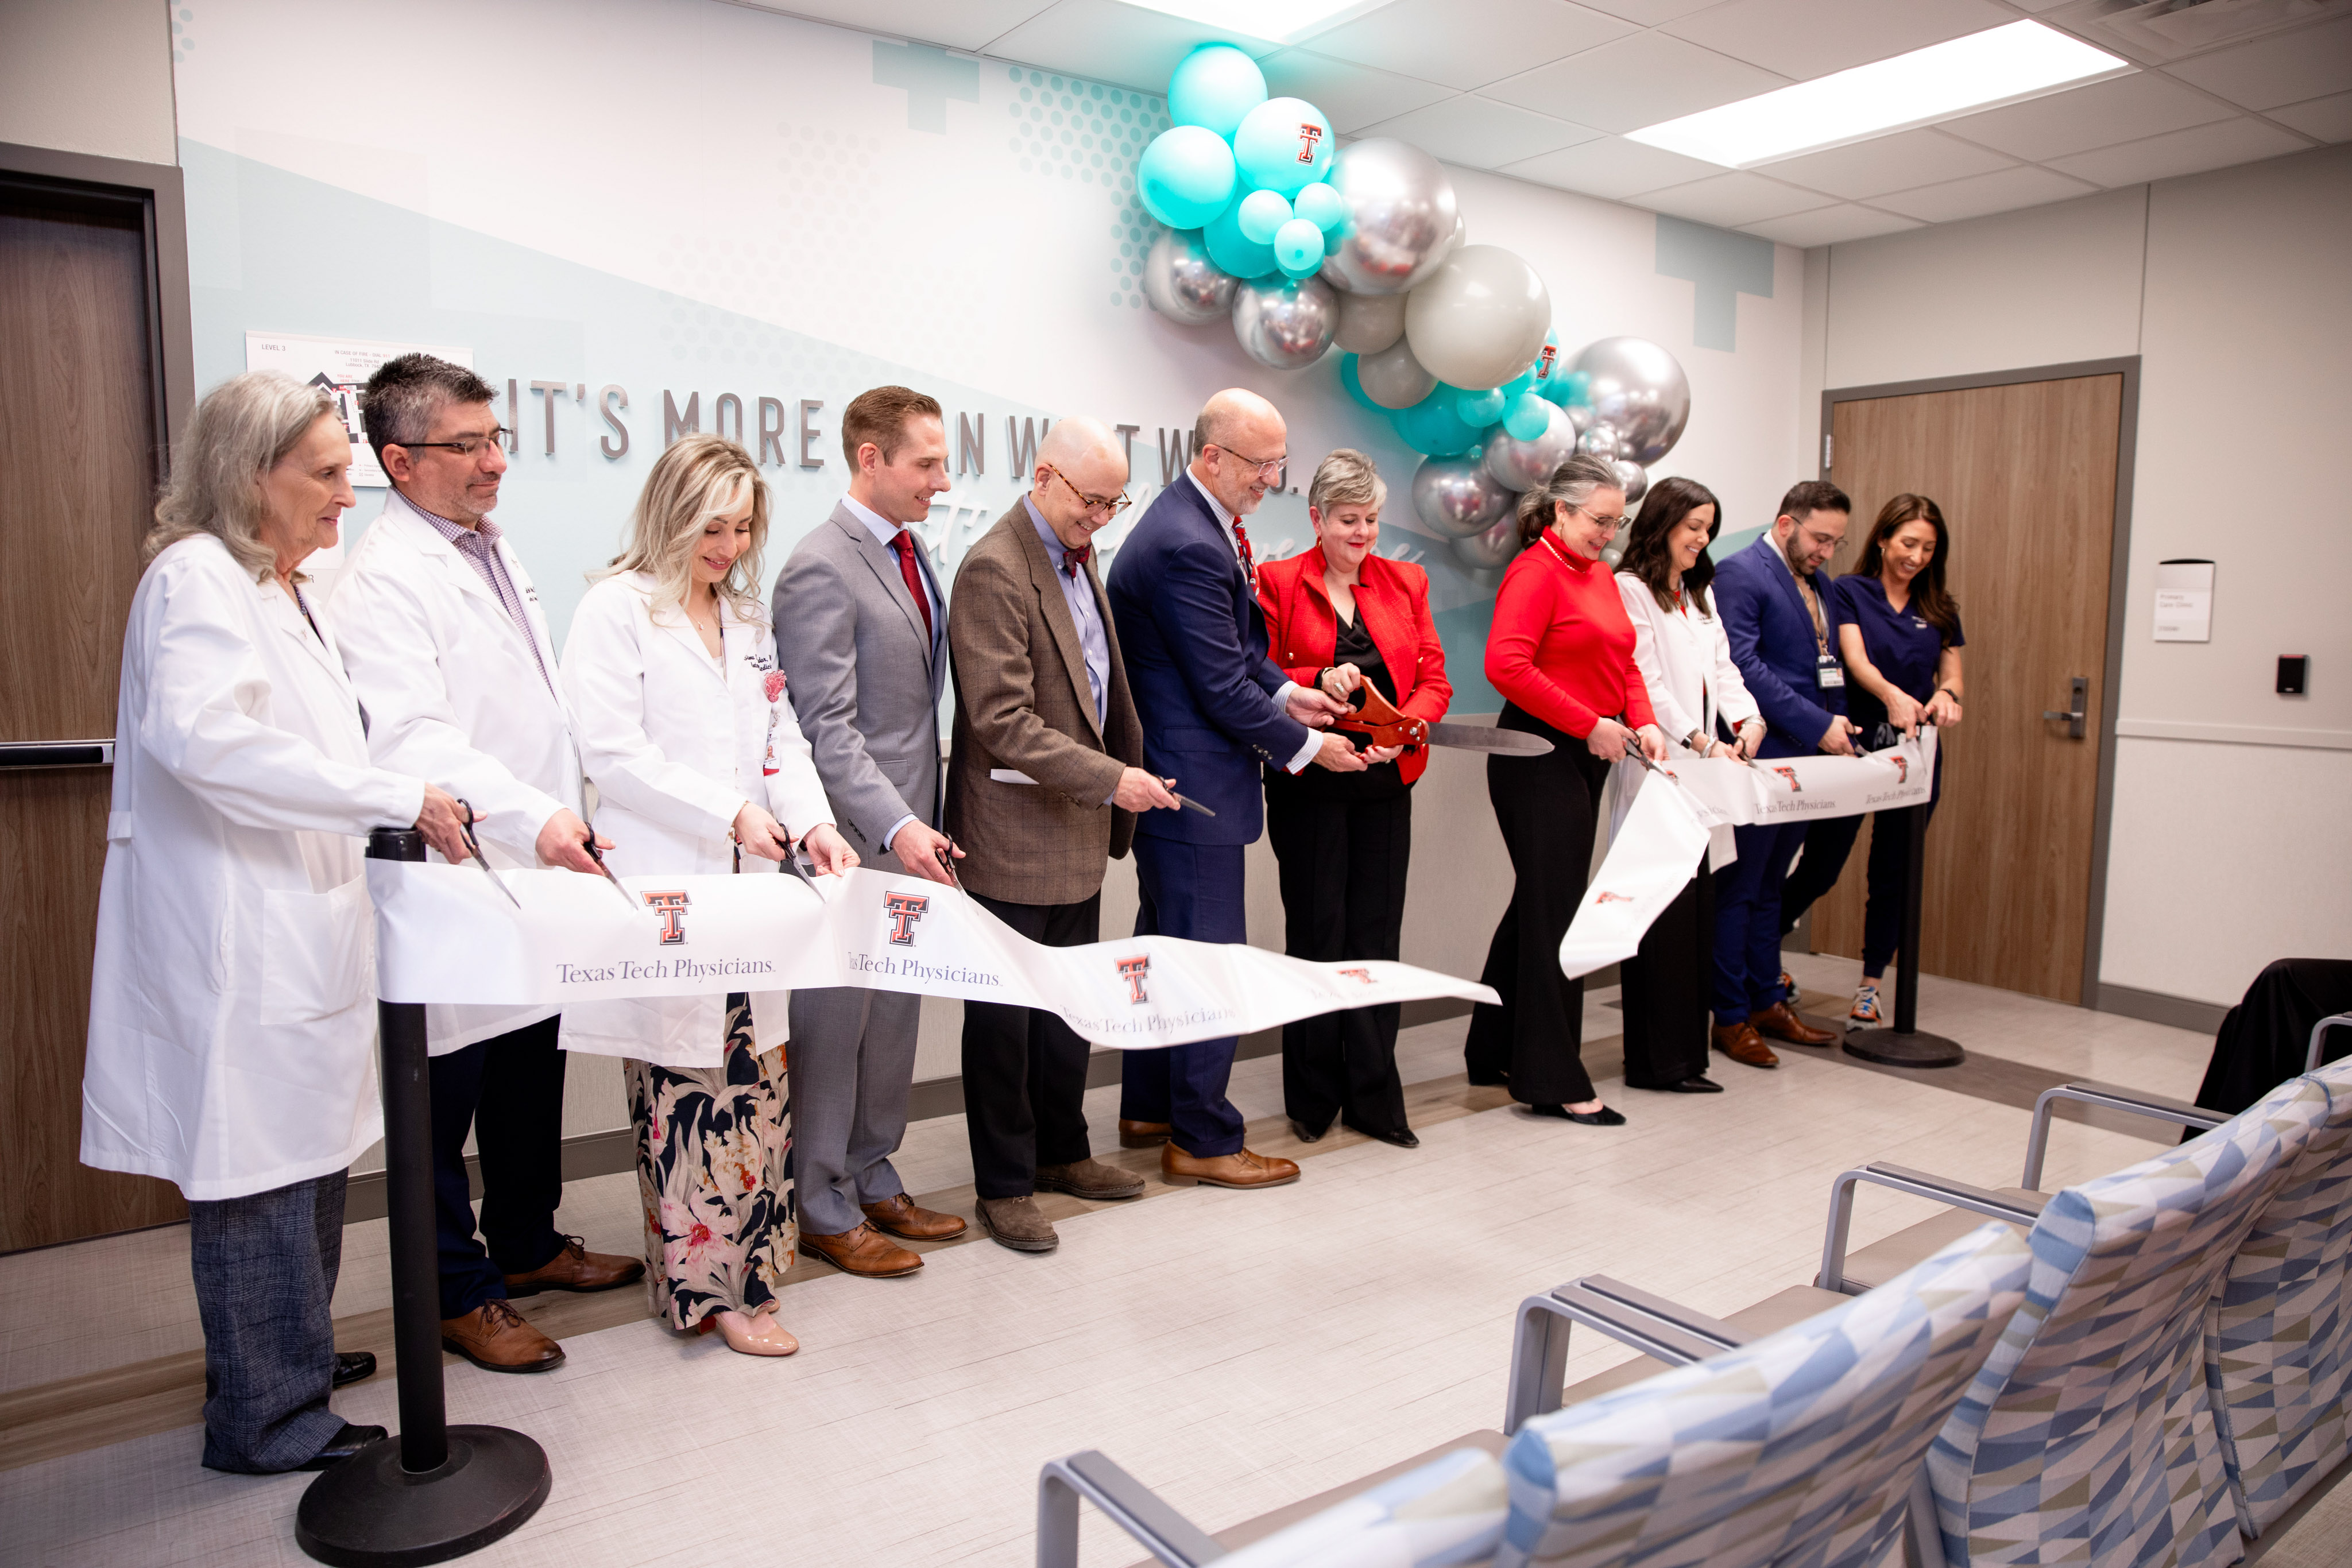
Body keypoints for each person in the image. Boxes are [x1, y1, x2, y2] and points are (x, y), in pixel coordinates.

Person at [82, 371, 471, 1472]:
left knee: (302, 1161)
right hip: (236, 936)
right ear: (250, 475)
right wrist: (392, 798)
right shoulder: (196, 580)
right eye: (328, 474)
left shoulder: (282, 587)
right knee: (256, 1176)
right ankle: (266, 1418)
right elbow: (212, 746)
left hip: (297, 927)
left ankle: (286, 1363)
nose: (347, 497)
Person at [332, 354, 643, 1376]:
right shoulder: (383, 578)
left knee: (527, 1068)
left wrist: (559, 814)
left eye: (494, 438)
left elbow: (529, 705)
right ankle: (457, 1293)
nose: (493, 462)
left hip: (531, 859)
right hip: (455, 871)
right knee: (445, 1092)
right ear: (398, 460)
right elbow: (415, 737)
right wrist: (536, 814)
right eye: (466, 445)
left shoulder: (488, 550)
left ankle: (528, 1240)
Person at [560, 436, 858, 1354]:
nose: (726, 546)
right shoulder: (616, 610)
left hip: (751, 896)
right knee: (686, 1095)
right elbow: (612, 752)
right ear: (670, 515)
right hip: (671, 893)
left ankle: (757, 1272)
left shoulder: (747, 617)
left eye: (740, 527)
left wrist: (812, 822)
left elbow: (783, 740)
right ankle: (708, 1292)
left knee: (758, 1089)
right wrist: (730, 811)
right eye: (710, 527)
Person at [1105, 388, 1358, 1189]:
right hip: (1195, 788)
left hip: (1184, 783)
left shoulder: (1199, 523)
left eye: (1280, 461)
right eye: (1261, 463)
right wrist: (1311, 745)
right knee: (1205, 961)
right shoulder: (1188, 541)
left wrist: (1292, 694)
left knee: (1167, 951)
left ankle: (1151, 1104)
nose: (1272, 478)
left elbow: (1235, 659)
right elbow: (1219, 687)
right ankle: (1204, 1137)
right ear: (1212, 455)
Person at [943, 418, 1172, 1251]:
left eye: (1115, 502)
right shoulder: (994, 567)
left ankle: (1061, 1152)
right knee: (1005, 1020)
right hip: (1011, 832)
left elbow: (1095, 687)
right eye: (1091, 500)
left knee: (1070, 1004)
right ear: (1044, 476)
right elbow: (1002, 719)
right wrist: (1113, 778)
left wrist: (1115, 780)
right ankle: (1005, 1184)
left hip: (1075, 828)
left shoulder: (1080, 554)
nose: (1103, 517)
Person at [770, 385, 968, 1276]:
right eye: (924, 462)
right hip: (848, 839)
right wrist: (893, 821)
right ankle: (818, 1197)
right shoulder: (821, 563)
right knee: (835, 1022)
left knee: (893, 1015)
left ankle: (871, 1169)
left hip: (909, 835)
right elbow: (828, 728)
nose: (941, 478)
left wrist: (920, 823)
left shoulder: (913, 550)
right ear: (869, 458)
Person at [1255, 449, 1451, 1148]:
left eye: (1370, 519)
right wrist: (1318, 675)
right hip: (1309, 782)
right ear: (1315, 519)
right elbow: (1260, 674)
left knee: (1375, 937)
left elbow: (1433, 677)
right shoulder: (1276, 582)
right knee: (1316, 935)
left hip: (1383, 785)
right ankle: (1312, 1097)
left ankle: (1374, 1095)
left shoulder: (1407, 581)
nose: (1363, 533)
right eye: (1347, 520)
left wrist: (1408, 730)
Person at [1469, 455, 1669, 1125]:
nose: (1607, 534)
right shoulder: (1535, 571)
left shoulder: (1601, 576)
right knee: (1557, 913)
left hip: (1591, 749)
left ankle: (1491, 1045)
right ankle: (1550, 1078)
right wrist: (1590, 724)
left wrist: (1641, 718)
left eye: (1618, 522)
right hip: (1537, 753)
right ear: (1559, 511)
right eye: (1597, 521)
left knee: (1540, 901)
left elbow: (1625, 661)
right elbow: (1506, 664)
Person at [1613, 477, 1765, 1095]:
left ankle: (1686, 1056)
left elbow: (1724, 668)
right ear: (1662, 524)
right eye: (1692, 527)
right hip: (1659, 768)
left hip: (1702, 776)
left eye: (1708, 529)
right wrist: (1701, 742)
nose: (1701, 540)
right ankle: (1654, 1063)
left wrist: (1749, 720)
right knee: (1658, 924)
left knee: (1694, 916)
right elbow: (1644, 683)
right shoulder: (1630, 590)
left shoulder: (1696, 594)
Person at [1711, 481, 1859, 1068]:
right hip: (1761, 753)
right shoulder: (1741, 574)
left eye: (1835, 542)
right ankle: (1728, 1014)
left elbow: (1823, 662)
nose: (1826, 551)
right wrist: (1816, 722)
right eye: (1819, 537)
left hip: (1806, 756)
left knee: (1773, 884)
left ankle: (1766, 997)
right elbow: (1743, 666)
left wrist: (1836, 724)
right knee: (1740, 887)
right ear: (1784, 524)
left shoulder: (1819, 583)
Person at [1831, 493, 1967, 1027]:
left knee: (1893, 872)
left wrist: (1947, 698)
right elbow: (1855, 660)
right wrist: (1891, 694)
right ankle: (1762, 956)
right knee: (1822, 864)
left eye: (1929, 548)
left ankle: (1871, 985)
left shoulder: (1939, 608)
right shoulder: (1849, 591)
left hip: (1915, 757)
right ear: (1883, 538)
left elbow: (1952, 674)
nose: (1917, 556)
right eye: (1909, 543)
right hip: (1858, 748)